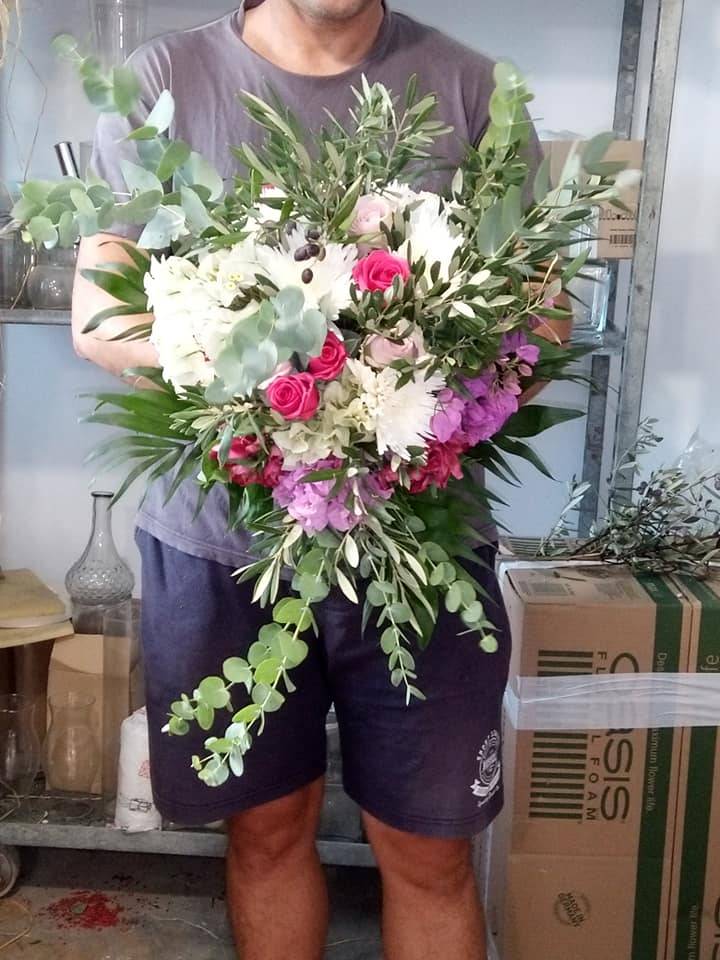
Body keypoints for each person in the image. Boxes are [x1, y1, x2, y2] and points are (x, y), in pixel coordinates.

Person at [73, 3, 567, 958]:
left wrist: (424, 399)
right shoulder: (160, 83)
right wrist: (256, 375)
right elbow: (101, 310)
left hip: (422, 547)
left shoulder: (471, 88)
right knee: (264, 831)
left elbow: (545, 318)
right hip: (222, 543)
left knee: (429, 852)